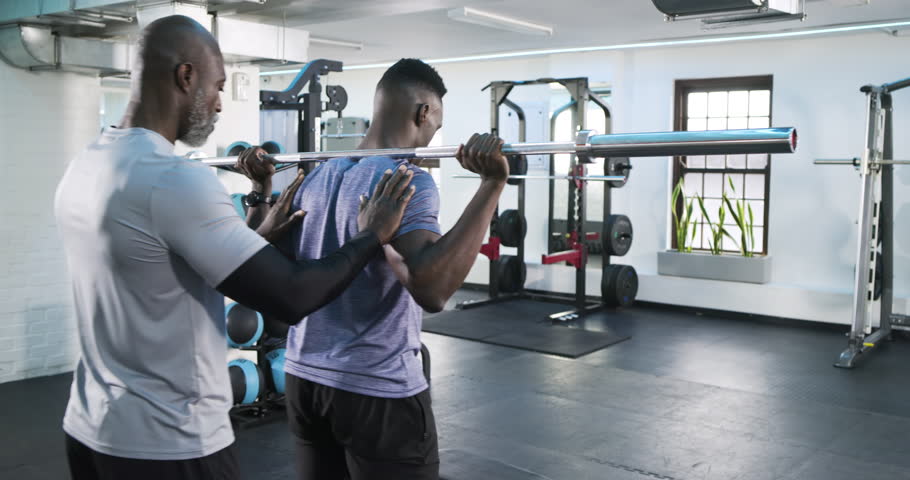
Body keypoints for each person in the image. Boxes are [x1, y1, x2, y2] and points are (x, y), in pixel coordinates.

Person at [54, 15, 416, 480]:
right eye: (218, 86)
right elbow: (290, 296)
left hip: (90, 427)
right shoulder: (174, 178)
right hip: (171, 444)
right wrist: (372, 235)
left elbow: (170, 265)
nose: (221, 103)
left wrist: (259, 204)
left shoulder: (87, 163)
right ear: (186, 77)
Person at [239, 58, 510, 479]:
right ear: (423, 112)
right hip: (375, 386)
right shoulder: (405, 181)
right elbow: (432, 290)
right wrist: (491, 186)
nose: (434, 133)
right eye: (435, 123)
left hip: (303, 379)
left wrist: (260, 193)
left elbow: (267, 262)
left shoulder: (315, 178)